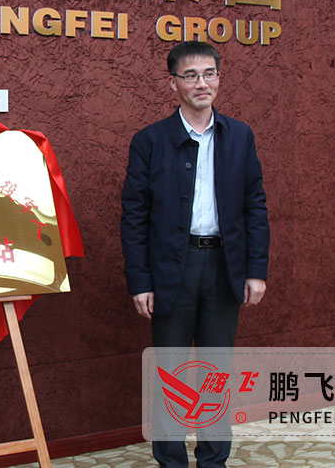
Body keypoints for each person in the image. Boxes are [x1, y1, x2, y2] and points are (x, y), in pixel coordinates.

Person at [119, 41, 269, 468]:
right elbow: (134, 217)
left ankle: (213, 460)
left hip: (223, 267)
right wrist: (141, 281)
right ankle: (171, 461)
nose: (202, 83)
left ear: (219, 79)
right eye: (190, 75)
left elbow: (255, 206)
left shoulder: (239, 136)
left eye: (209, 74)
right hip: (172, 270)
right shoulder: (150, 141)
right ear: (173, 84)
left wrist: (255, 270)